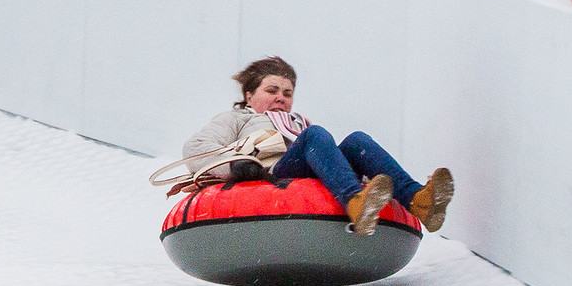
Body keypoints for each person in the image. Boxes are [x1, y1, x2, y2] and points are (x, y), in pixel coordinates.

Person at [182, 56, 454, 237]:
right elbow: (196, 147)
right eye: (272, 91)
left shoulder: (298, 123)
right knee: (315, 135)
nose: (281, 98)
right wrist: (235, 165)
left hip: (307, 170)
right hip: (272, 171)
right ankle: (354, 202)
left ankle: (420, 201)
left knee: (357, 141)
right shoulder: (239, 118)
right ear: (249, 95)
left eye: (287, 94)